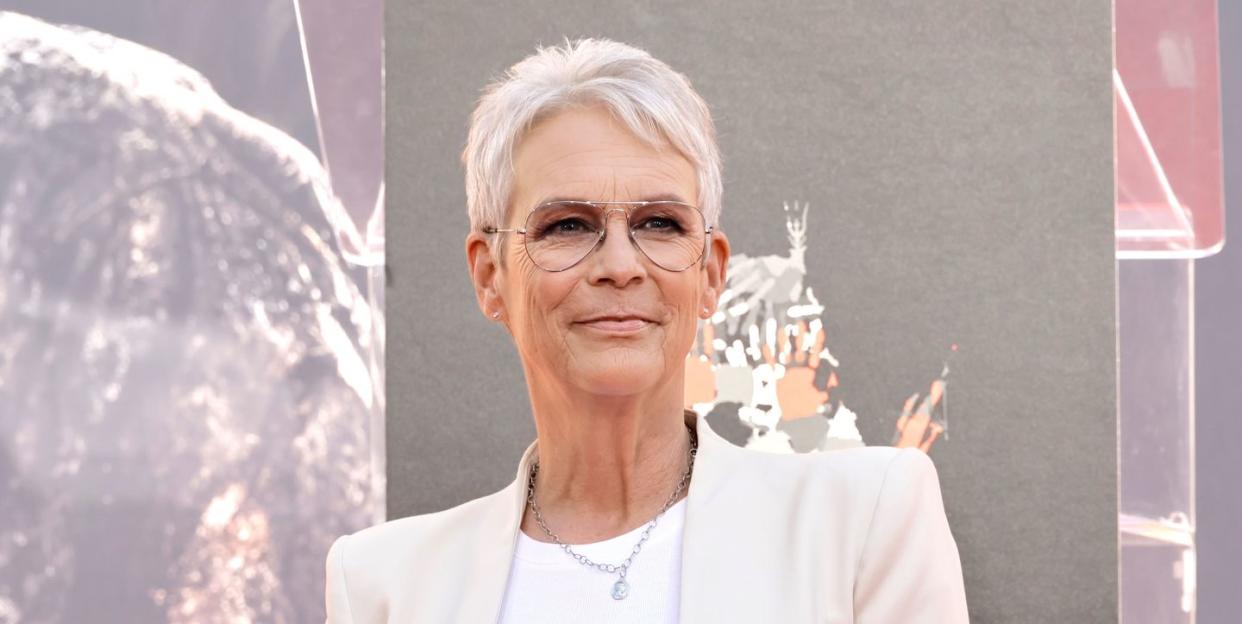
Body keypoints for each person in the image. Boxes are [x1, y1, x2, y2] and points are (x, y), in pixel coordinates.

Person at [325, 37, 969, 623]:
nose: (619, 266)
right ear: (491, 276)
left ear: (711, 273)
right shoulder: (383, 584)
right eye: (567, 225)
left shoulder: (864, 521)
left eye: (660, 223)